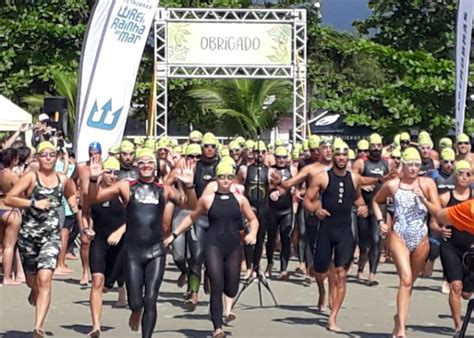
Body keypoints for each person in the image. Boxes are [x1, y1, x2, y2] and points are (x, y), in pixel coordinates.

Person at [88, 148, 196, 338]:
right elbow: (94, 199)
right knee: (135, 301)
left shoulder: (165, 190)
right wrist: (92, 180)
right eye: (142, 162)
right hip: (132, 252)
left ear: (155, 167)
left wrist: (189, 185)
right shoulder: (125, 186)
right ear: (137, 166)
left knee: (151, 298)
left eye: (150, 162)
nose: (146, 166)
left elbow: (192, 206)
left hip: (156, 250)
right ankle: (136, 311)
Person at [164, 162, 258, 338]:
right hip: (213, 244)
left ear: (233, 179)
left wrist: (253, 233)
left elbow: (253, 219)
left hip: (233, 247)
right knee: (217, 284)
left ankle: (225, 302)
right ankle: (217, 327)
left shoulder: (240, 200)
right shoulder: (207, 199)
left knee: (231, 288)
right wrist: (173, 235)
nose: (225, 181)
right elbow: (191, 218)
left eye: (229, 177)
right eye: (222, 177)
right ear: (216, 178)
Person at [5, 141, 80, 338]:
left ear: (56, 158)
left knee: (45, 279)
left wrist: (84, 222)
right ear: (37, 158)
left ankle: (38, 327)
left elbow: (73, 200)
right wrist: (33, 202)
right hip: (29, 236)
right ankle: (33, 290)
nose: (48, 157)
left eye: (51, 154)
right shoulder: (30, 177)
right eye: (44, 154)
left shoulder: (63, 180)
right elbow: (9, 199)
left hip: (51, 237)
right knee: (33, 280)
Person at [373, 147, 440, 338]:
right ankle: (401, 328)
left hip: (421, 237)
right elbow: (377, 202)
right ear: (402, 165)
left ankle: (398, 318)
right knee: (406, 279)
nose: (413, 168)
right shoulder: (393, 185)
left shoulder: (427, 184)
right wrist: (380, 221)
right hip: (399, 235)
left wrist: (424, 199)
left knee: (411, 282)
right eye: (409, 164)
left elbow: (438, 212)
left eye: (416, 165)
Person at [304, 138, 368, 332]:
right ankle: (323, 291)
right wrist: (316, 211)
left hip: (344, 231)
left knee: (341, 275)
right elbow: (307, 200)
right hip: (326, 229)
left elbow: (357, 198)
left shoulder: (354, 178)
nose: (341, 158)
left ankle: (333, 318)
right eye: (337, 154)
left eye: (344, 154)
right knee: (320, 270)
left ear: (348, 157)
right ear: (333, 156)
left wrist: (363, 207)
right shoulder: (322, 177)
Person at [83, 157, 127, 337]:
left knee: (107, 286)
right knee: (97, 282)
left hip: (120, 244)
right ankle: (96, 326)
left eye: (116, 173)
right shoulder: (92, 193)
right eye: (109, 171)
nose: (112, 176)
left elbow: (135, 215)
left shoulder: (122, 191)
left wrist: (120, 231)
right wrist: (86, 228)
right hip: (100, 241)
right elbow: (85, 213)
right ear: (102, 173)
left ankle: (119, 290)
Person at [435, 160, 473, 335]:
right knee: (455, 286)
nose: (464, 177)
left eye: (468, 174)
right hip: (450, 246)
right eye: (461, 173)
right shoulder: (445, 197)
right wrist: (440, 229)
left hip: (470, 248)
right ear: (455, 175)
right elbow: (433, 221)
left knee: (466, 293)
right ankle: (458, 326)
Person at [351, 133, 395, 286]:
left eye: (378, 145)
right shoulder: (361, 163)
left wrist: (390, 194)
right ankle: (360, 269)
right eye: (373, 146)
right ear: (369, 147)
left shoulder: (387, 163)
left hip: (380, 206)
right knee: (363, 242)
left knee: (377, 240)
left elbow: (393, 180)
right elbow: (351, 181)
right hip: (364, 206)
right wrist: (362, 185)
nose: (376, 148)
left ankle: (372, 274)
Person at [266, 146, 297, 280]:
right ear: (275, 158)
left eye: (284, 157)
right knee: (271, 239)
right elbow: (264, 187)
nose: (281, 160)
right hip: (272, 210)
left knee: (286, 238)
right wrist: (272, 190)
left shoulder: (292, 169)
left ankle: (283, 269)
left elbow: (294, 186)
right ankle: (269, 264)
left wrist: (282, 190)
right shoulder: (270, 170)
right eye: (279, 157)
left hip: (286, 210)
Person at [0, 147, 25, 285]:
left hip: (0, 208)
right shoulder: (11, 175)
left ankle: (13, 273)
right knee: (9, 245)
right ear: (14, 159)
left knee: (4, 245)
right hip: (11, 210)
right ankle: (7, 277)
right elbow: (22, 192)